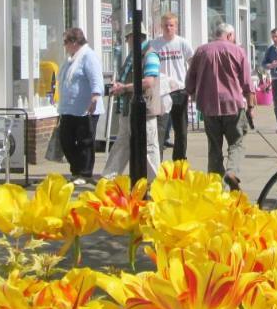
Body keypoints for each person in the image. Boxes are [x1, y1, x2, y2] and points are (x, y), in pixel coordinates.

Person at [185, 23, 254, 190]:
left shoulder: (201, 51)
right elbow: (247, 83)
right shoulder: (237, 51)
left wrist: (192, 93)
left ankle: (217, 186)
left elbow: (189, 80)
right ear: (229, 36)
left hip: (209, 107)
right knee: (236, 143)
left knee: (214, 147)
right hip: (233, 105)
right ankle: (232, 172)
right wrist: (251, 106)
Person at [103, 25, 164, 180]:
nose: (127, 42)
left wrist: (124, 88)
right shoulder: (134, 55)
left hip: (145, 109)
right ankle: (109, 178)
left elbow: (148, 82)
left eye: (127, 38)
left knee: (149, 146)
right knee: (122, 143)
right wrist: (118, 85)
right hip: (128, 108)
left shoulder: (150, 55)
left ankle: (155, 183)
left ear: (134, 37)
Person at [56, 27, 104, 186]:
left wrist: (95, 97)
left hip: (85, 109)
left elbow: (96, 78)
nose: (64, 46)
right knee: (66, 140)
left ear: (74, 42)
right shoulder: (71, 59)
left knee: (85, 142)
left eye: (66, 42)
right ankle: (76, 170)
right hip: (69, 108)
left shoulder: (88, 56)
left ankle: (84, 173)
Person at [151, 12, 194, 160]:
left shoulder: (183, 43)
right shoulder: (155, 44)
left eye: (171, 25)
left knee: (181, 129)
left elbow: (192, 63)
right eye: (166, 25)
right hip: (162, 90)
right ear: (161, 27)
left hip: (180, 90)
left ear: (176, 27)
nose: (168, 28)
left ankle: (179, 160)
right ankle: (158, 161)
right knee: (161, 128)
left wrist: (191, 83)